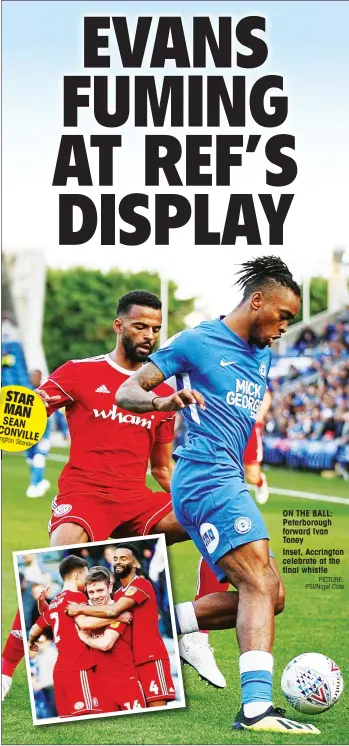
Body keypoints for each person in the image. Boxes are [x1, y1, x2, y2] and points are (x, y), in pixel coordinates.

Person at [114, 257, 320, 735]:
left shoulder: (262, 354)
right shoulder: (197, 341)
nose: (284, 328)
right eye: (283, 317)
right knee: (258, 585)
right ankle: (255, 709)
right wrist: (164, 400)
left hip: (228, 479)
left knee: (273, 594)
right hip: (205, 477)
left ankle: (151, 623)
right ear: (257, 301)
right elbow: (128, 391)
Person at [2, 290, 226, 698]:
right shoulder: (78, 371)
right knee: (65, 561)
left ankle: (196, 636)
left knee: (216, 518)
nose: (149, 336)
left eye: (156, 329)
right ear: (118, 325)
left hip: (135, 501)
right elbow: (31, 411)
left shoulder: (160, 392)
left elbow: (161, 467)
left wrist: (189, 500)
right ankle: (4, 670)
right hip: (84, 496)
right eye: (140, 326)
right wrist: (21, 406)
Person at [66, 544, 176, 708]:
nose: (118, 562)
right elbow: (109, 613)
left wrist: (80, 608)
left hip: (151, 656)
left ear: (136, 563)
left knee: (157, 709)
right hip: (133, 660)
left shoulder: (141, 584)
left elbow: (114, 611)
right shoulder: (117, 594)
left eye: (123, 558)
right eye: (116, 558)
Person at [28, 555, 103, 718]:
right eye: (86, 574)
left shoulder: (54, 603)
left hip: (60, 671)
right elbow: (84, 623)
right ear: (77, 575)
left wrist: (31, 643)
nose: (88, 579)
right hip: (79, 667)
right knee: (89, 721)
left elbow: (34, 629)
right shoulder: (78, 597)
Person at [75, 566, 146, 712]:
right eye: (91, 592)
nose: (96, 596)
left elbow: (106, 644)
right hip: (100, 686)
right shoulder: (86, 612)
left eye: (100, 590)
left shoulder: (121, 610)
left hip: (126, 683)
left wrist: (85, 638)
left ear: (110, 587)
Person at [25, 369, 51, 498]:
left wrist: (63, 430)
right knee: (30, 459)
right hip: (29, 435)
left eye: (36, 376)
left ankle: (34, 485)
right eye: (32, 376)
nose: (34, 379)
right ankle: (41, 482)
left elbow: (54, 413)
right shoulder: (26, 393)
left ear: (40, 378)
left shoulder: (47, 392)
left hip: (44, 435)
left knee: (39, 457)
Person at [244, 389, 272, 505]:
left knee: (252, 476)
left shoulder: (252, 372)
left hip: (250, 429)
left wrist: (260, 414)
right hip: (229, 427)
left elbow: (265, 394)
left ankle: (260, 482)